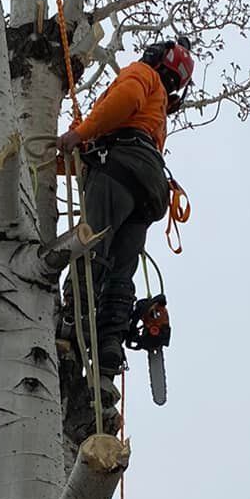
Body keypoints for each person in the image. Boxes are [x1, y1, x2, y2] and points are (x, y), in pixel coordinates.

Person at [56, 38, 193, 372]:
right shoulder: (158, 115)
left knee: (92, 246)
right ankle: (109, 343)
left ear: (156, 59)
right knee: (121, 267)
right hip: (147, 189)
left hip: (119, 169)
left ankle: (72, 322)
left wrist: (80, 132)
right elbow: (92, 151)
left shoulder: (143, 75)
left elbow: (124, 99)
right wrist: (65, 153)